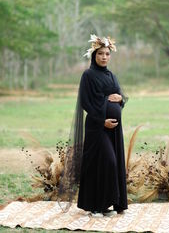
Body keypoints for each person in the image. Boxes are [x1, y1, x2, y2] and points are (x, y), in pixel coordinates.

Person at [58, 34, 128, 218]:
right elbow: (86, 102)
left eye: (107, 54)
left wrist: (121, 99)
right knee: (106, 162)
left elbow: (119, 95)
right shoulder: (88, 75)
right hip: (97, 127)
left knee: (109, 164)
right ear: (94, 55)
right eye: (100, 54)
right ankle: (95, 206)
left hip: (114, 130)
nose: (104, 57)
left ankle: (105, 206)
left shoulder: (111, 76)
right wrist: (102, 120)